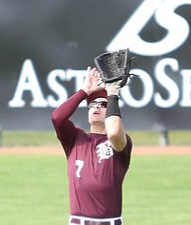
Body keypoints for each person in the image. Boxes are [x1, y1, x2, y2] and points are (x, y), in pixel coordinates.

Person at [51, 66, 133, 225]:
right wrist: (84, 91)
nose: (96, 107)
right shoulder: (75, 138)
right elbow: (57, 118)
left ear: (110, 112)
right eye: (92, 104)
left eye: (103, 105)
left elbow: (115, 132)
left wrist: (113, 94)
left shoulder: (120, 142)